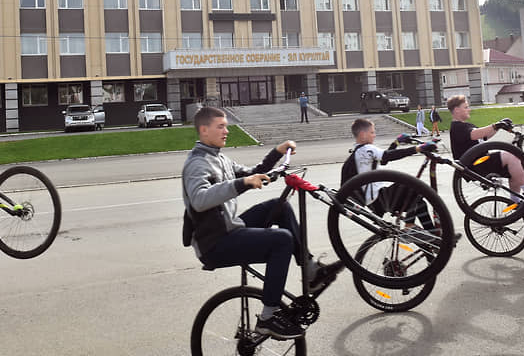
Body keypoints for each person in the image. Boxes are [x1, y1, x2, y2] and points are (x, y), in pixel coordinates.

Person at [182, 106, 341, 340]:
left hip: (228, 227)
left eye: (226, 125)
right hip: (214, 243)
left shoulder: (219, 158)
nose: (227, 130)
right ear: (204, 130)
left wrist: (277, 153)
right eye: (221, 126)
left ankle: (311, 271)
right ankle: (268, 317)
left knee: (280, 207)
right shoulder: (198, 163)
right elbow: (199, 199)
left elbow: (253, 172)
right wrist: (243, 183)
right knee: (281, 241)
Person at [447, 95, 524, 203]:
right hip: (475, 166)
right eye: (466, 107)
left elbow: (484, 136)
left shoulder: (464, 125)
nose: (469, 109)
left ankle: (516, 201)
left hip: (481, 162)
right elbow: (474, 135)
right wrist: (495, 125)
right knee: (511, 155)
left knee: (515, 167)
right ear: (457, 110)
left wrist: (499, 126)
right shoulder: (457, 127)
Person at [348, 118, 436, 207]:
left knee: (418, 202)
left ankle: (410, 221)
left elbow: (383, 161)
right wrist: (418, 148)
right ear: (362, 135)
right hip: (377, 198)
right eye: (372, 132)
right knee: (414, 189)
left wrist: (396, 143)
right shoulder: (366, 149)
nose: (374, 135)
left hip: (374, 198)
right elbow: (387, 156)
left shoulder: (359, 150)